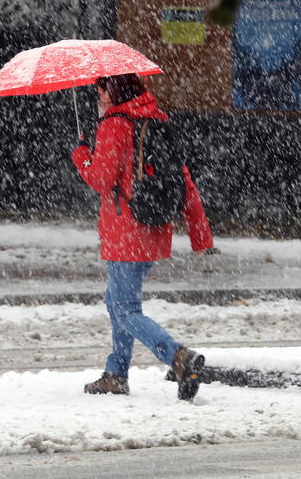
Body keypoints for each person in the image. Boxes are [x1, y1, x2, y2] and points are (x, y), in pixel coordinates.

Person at [71, 73, 213, 401]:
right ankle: (116, 373)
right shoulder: (155, 120)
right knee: (116, 301)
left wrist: (81, 155)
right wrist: (199, 231)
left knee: (124, 308)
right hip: (153, 227)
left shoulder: (115, 124)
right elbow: (184, 180)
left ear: (112, 90)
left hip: (126, 229)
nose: (97, 95)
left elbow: (101, 179)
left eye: (100, 89)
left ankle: (179, 358)